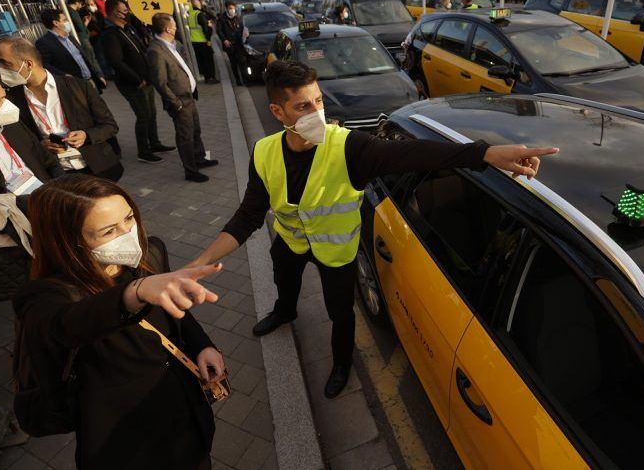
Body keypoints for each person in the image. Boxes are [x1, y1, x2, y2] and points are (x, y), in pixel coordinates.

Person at [187, 61, 559, 398]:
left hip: (338, 254)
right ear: (277, 111)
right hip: (291, 243)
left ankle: (342, 364)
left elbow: (415, 155)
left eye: (318, 101)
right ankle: (285, 312)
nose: (317, 112)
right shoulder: (264, 152)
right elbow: (249, 215)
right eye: (303, 106)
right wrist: (200, 262)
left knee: (341, 313)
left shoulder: (349, 148)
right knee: (284, 282)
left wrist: (486, 154)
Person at [13, 175, 226, 470]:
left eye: (129, 218)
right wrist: (133, 293)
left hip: (186, 413)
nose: (128, 233)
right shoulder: (49, 294)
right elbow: (63, 324)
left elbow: (175, 310)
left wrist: (202, 345)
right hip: (125, 440)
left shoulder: (149, 254)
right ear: (69, 240)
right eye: (109, 231)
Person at [0, 37, 124, 182]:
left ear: (28, 64)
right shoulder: (11, 99)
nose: (0, 69)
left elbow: (110, 125)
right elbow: (24, 140)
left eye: (4, 62)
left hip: (99, 168)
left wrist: (86, 135)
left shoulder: (78, 86)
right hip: (59, 175)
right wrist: (41, 146)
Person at [101, 0, 175, 163]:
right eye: (124, 11)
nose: (127, 13)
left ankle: (154, 143)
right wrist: (136, 79)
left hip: (145, 79)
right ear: (115, 13)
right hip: (132, 83)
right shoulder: (110, 34)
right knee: (143, 115)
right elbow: (116, 62)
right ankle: (144, 151)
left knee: (152, 113)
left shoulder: (127, 28)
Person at [147, 13, 218, 183]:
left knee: (195, 130)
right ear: (168, 29)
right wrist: (175, 103)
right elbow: (160, 82)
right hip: (179, 101)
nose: (176, 27)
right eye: (174, 24)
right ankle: (191, 170)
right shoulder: (156, 51)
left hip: (188, 97)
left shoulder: (174, 45)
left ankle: (199, 159)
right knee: (185, 136)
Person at [0, 73, 63, 195]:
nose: (7, 104)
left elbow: (49, 162)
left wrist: (63, 191)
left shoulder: (13, 124)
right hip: (13, 210)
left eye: (5, 98)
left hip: (49, 194)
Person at [35, 9, 106, 93]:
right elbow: (45, 65)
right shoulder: (44, 42)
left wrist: (97, 75)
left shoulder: (69, 37)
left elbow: (83, 57)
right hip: (73, 87)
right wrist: (65, 75)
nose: (68, 22)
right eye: (65, 20)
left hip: (90, 81)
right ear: (56, 23)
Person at [66, 0, 105, 83]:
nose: (81, 5)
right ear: (77, 3)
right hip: (83, 38)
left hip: (83, 37)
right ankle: (100, 77)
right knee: (92, 58)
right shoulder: (73, 12)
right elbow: (80, 27)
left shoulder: (69, 11)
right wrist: (86, 23)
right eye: (81, 3)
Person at [216, 1, 248, 86]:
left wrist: (245, 33)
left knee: (242, 62)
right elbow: (219, 31)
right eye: (230, 8)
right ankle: (237, 80)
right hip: (229, 44)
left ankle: (245, 79)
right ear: (226, 9)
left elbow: (242, 28)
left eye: (234, 8)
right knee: (233, 63)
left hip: (238, 44)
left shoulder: (237, 17)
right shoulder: (222, 19)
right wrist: (224, 40)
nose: (232, 10)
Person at [188, 0, 218, 84]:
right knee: (208, 61)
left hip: (194, 41)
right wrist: (208, 38)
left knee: (201, 60)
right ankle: (211, 78)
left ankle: (206, 77)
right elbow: (206, 28)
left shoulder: (191, 14)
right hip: (203, 41)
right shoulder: (200, 14)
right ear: (198, 4)